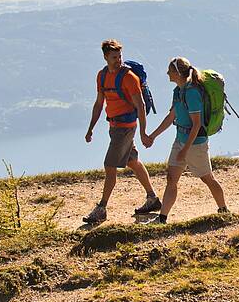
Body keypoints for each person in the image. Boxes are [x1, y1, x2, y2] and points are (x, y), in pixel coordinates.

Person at [83, 39, 161, 224]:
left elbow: (140, 105)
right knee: (132, 161)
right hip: (114, 126)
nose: (118, 60)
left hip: (125, 128)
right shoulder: (102, 76)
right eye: (114, 57)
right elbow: (99, 103)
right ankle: (152, 199)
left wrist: (143, 132)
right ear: (105, 57)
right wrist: (90, 128)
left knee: (110, 166)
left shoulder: (129, 77)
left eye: (119, 56)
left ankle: (101, 208)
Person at [142, 56, 229, 223]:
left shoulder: (192, 93)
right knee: (171, 179)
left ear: (177, 73)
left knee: (207, 178)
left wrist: (185, 149)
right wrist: (152, 136)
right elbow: (171, 117)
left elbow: (196, 125)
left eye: (170, 70)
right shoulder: (178, 91)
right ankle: (162, 219)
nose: (167, 73)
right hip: (180, 140)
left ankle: (224, 210)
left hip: (195, 144)